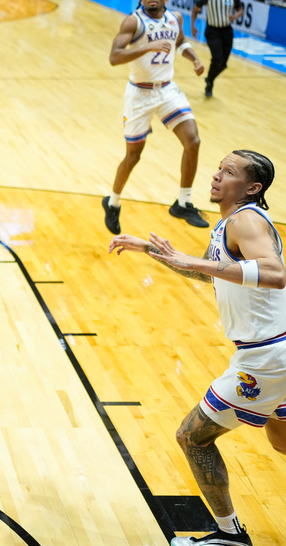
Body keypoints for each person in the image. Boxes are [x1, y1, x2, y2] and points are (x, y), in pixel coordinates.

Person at [109, 150, 285, 546]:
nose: (217, 176)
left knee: (193, 438)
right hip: (278, 351)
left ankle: (229, 537)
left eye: (230, 172)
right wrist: (149, 249)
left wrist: (195, 261)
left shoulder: (245, 219)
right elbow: (205, 271)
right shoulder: (229, 224)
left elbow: (275, 274)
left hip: (268, 357)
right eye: (219, 168)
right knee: (281, 442)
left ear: (253, 188)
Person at [102, 0, 208, 236]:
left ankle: (183, 202)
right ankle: (113, 202)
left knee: (192, 142)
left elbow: (180, 42)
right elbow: (114, 57)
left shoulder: (175, 18)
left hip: (167, 90)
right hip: (139, 94)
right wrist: (146, 46)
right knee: (134, 156)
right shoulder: (133, 22)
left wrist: (193, 58)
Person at [191, 0, 244, 99]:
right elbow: (196, 9)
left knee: (224, 64)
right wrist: (193, 25)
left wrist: (236, 16)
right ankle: (210, 84)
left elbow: (240, 9)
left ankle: (209, 78)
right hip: (212, 31)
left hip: (227, 31)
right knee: (218, 58)